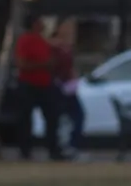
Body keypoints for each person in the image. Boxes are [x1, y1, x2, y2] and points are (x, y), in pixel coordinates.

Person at [13, 15, 64, 161]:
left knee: (52, 117)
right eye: (40, 22)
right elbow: (22, 64)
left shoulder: (41, 40)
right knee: (25, 118)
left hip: (45, 84)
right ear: (34, 24)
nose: (43, 24)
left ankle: (53, 149)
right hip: (28, 84)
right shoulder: (25, 40)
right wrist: (44, 64)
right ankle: (25, 151)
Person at [49, 17, 84, 159]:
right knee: (64, 118)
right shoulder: (54, 47)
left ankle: (71, 146)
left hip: (70, 88)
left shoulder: (67, 47)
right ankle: (64, 146)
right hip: (61, 88)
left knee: (77, 117)